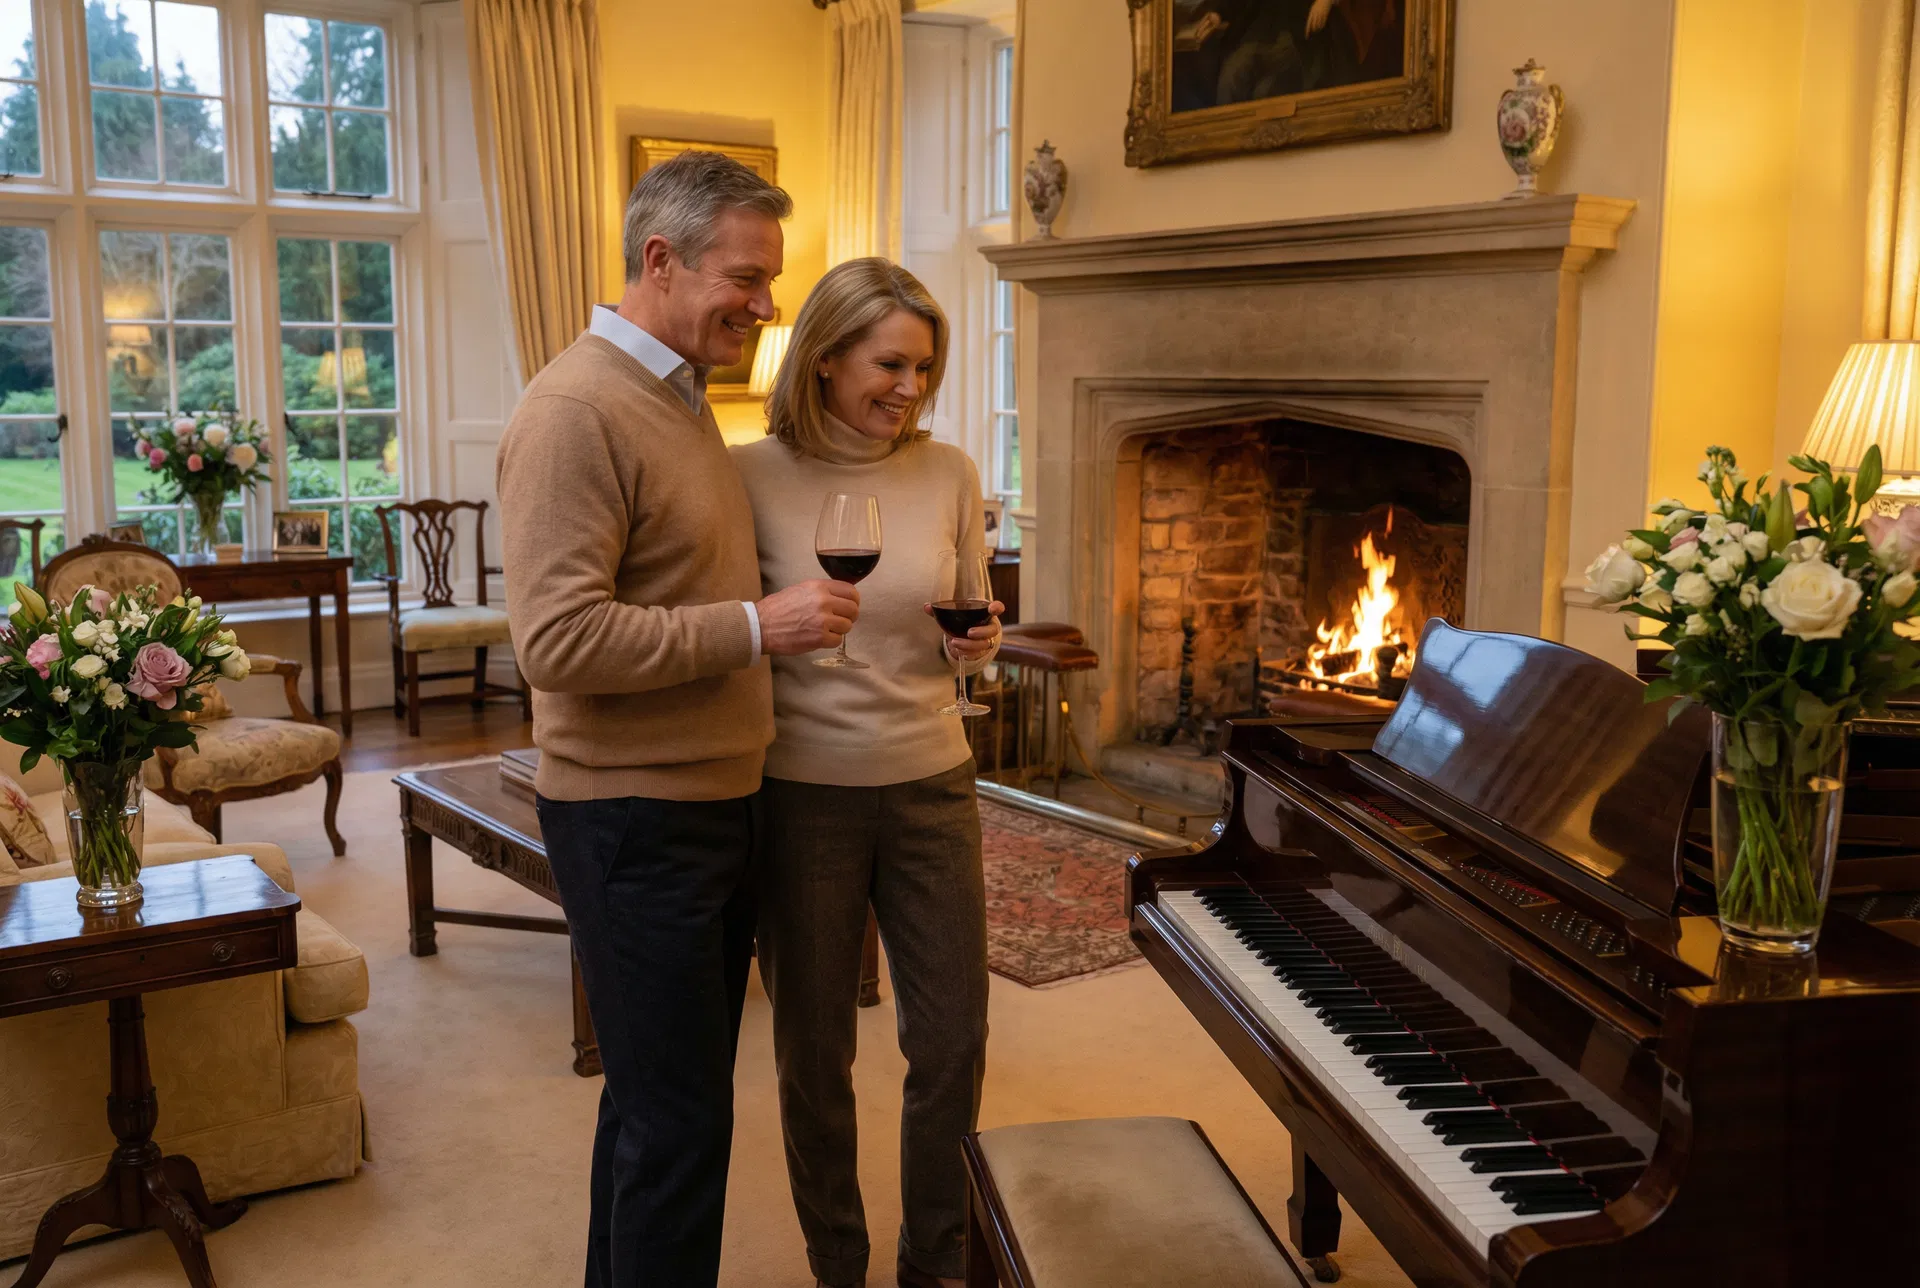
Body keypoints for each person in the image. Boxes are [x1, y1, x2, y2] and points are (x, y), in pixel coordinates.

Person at [496, 151, 862, 1288]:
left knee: (658, 1112)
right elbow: (556, 644)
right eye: (747, 279)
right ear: (661, 259)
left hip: (710, 803)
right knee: (683, 1126)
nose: (767, 307)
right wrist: (756, 627)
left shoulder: (678, 396)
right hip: (633, 821)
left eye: (770, 282)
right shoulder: (573, 409)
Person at [731, 258, 1001, 1288]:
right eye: (891, 363)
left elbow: (964, 607)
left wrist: (977, 646)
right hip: (800, 792)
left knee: (951, 1041)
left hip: (935, 777)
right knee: (815, 1053)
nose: (910, 388)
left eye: (925, 369)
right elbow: (732, 628)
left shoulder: (950, 472)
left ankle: (929, 1265)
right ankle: (836, 1263)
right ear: (829, 356)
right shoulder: (746, 473)